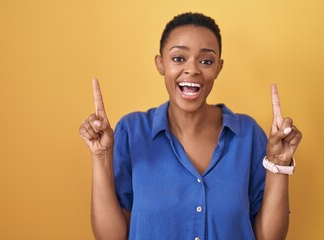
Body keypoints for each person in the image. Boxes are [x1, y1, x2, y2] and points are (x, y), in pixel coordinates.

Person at [79, 12, 302, 240]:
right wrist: (100, 156)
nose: (192, 69)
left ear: (218, 68)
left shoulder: (248, 134)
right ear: (160, 63)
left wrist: (279, 165)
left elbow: (269, 237)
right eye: (178, 58)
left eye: (206, 61)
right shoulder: (131, 131)